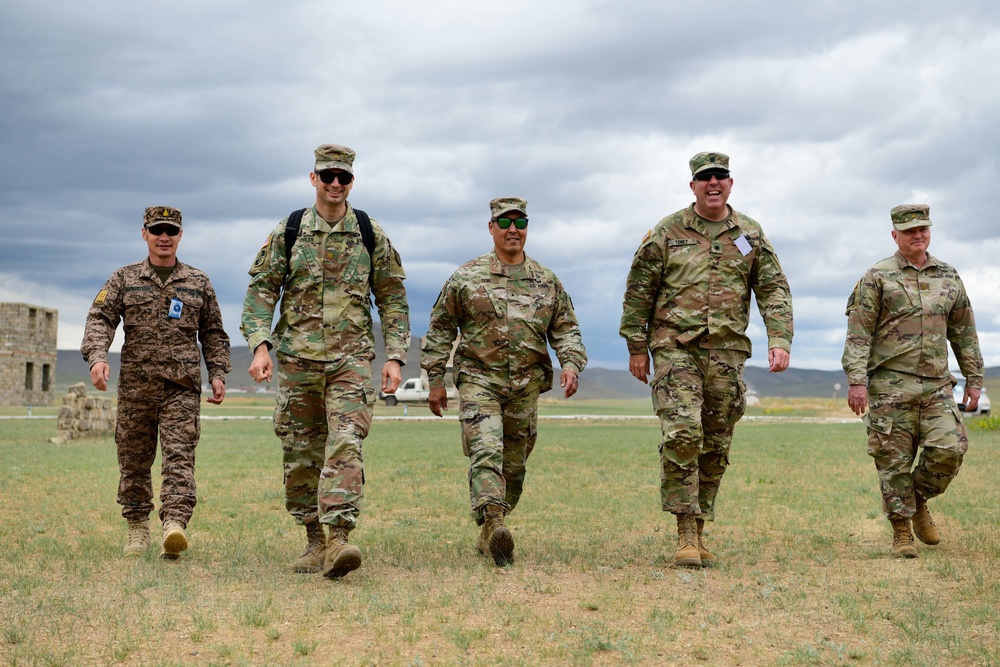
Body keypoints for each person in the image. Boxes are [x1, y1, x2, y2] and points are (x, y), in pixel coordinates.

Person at [241, 144, 410, 579]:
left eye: (344, 177)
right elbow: (262, 292)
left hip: (350, 361)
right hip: (298, 362)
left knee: (345, 442)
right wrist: (261, 345)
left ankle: (338, 539)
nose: (336, 184)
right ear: (313, 178)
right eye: (328, 175)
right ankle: (314, 538)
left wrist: (394, 356)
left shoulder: (370, 233)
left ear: (352, 182)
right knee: (300, 455)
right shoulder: (290, 230)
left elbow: (392, 298)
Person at [619, 152, 793, 568]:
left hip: (728, 353)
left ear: (730, 183)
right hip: (675, 347)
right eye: (704, 178)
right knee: (683, 434)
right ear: (693, 186)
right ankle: (683, 533)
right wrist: (636, 346)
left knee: (715, 445)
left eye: (720, 176)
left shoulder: (749, 233)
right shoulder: (668, 231)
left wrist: (780, 337)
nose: (713, 183)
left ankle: (699, 529)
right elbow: (639, 288)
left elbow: (772, 288)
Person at [421, 197, 587, 566]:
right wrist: (435, 378)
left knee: (515, 465)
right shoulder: (466, 277)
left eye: (520, 221)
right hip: (480, 380)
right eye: (505, 221)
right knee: (486, 449)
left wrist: (571, 363)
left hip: (526, 386)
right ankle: (494, 520)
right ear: (491, 227)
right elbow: (440, 330)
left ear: (527, 227)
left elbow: (566, 329)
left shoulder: (547, 280)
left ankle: (489, 529)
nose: (513, 229)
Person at [81, 206, 231, 560]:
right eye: (157, 229)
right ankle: (136, 527)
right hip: (136, 387)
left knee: (179, 457)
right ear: (144, 233)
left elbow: (213, 332)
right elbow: (99, 319)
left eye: (171, 231)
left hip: (181, 387)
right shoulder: (124, 278)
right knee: (133, 460)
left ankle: (174, 524)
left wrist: (219, 372)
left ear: (180, 236)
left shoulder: (198, 282)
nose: (164, 237)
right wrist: (98, 356)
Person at [842, 204, 983, 558]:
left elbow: (964, 331)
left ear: (929, 231)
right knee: (893, 461)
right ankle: (902, 530)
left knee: (949, 451)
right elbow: (859, 333)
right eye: (909, 231)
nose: (917, 235)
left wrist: (974, 378)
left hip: (937, 385)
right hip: (891, 386)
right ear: (895, 236)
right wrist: (856, 381)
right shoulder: (877, 277)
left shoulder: (948, 276)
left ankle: (916, 500)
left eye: (923, 229)